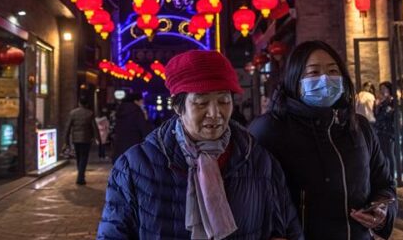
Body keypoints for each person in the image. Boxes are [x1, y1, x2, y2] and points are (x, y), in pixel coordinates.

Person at [98, 50, 302, 239]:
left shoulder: (257, 160)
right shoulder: (135, 167)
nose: (215, 113)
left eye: (223, 101)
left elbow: (285, 228)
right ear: (178, 106)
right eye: (201, 103)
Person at [249, 41, 397, 240]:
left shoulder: (359, 127)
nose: (325, 79)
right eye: (313, 72)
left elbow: (384, 183)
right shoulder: (269, 130)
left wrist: (382, 211)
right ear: (295, 80)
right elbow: (250, 200)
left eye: (333, 70)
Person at [64, 96, 100, 185]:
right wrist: (97, 138)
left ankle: (80, 174)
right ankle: (80, 176)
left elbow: (67, 127)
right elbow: (94, 127)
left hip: (76, 139)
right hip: (86, 139)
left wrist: (66, 141)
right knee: (84, 157)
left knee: (79, 157)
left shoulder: (73, 113)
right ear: (87, 104)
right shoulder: (90, 113)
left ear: (79, 103)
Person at [111, 92, 153, 163]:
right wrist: (146, 119)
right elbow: (145, 129)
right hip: (134, 144)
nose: (142, 103)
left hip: (119, 145)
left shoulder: (120, 110)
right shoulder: (137, 111)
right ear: (136, 101)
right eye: (141, 100)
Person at [374, 81, 396, 178]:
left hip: (389, 131)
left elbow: (386, 115)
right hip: (380, 131)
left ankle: (392, 175)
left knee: (390, 153)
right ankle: (386, 174)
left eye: (384, 89)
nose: (382, 91)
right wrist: (377, 106)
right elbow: (376, 116)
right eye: (381, 89)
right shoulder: (381, 102)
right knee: (383, 154)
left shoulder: (392, 101)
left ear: (389, 89)